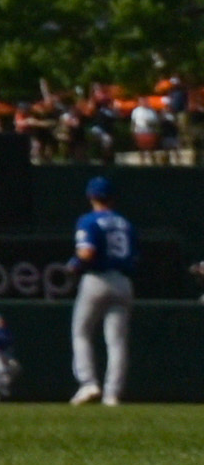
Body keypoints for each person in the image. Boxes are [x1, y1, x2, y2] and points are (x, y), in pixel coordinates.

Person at [69, 174, 134, 406]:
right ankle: (112, 394)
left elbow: (87, 253)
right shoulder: (125, 223)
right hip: (123, 281)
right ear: (112, 198)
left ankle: (88, 383)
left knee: (81, 332)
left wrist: (73, 265)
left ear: (91, 196)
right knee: (116, 341)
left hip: (97, 279)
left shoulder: (89, 220)